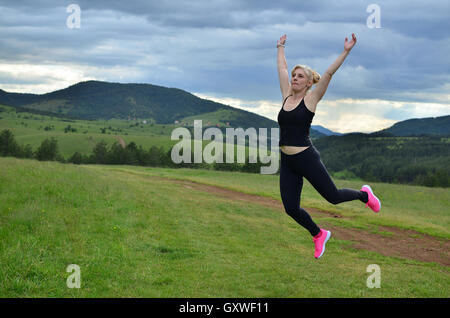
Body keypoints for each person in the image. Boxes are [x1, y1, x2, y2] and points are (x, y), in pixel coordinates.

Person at [276, 33, 381, 259]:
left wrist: (346, 51)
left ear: (308, 82)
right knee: (291, 208)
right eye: (294, 75)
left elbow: (330, 73)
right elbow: (282, 69)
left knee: (333, 196)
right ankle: (318, 234)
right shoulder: (286, 97)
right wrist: (281, 47)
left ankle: (364, 195)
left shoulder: (311, 100)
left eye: (300, 76)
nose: (294, 78)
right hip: (287, 162)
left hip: (306, 159)